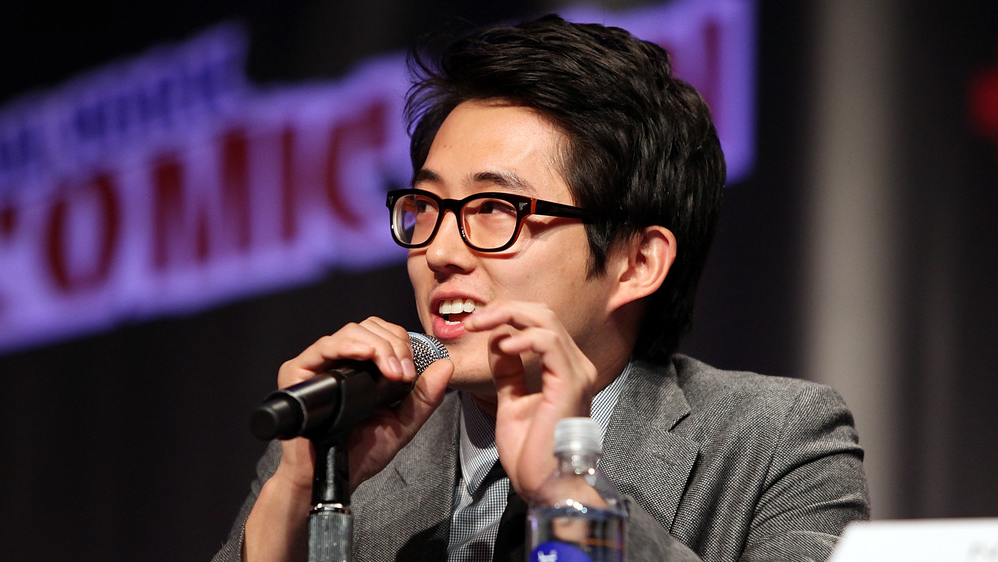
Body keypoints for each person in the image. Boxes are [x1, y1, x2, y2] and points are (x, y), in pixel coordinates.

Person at [213, 14, 869, 562]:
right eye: (428, 207)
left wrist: (571, 491)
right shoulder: (336, 439)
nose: (439, 253)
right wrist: (295, 500)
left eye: (495, 209)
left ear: (636, 263)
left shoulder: (777, 440)